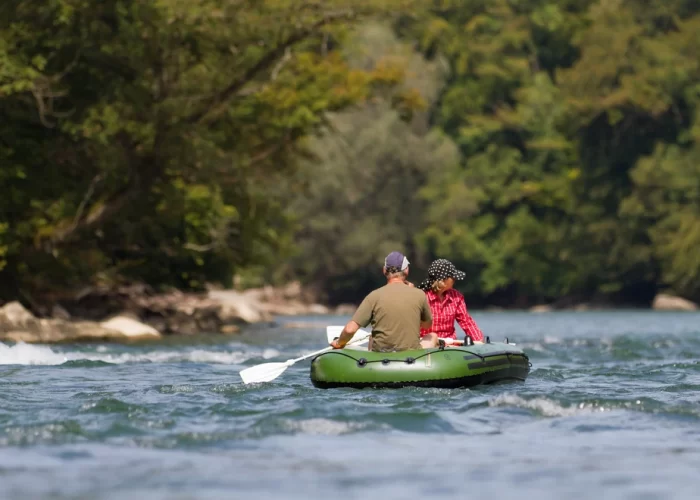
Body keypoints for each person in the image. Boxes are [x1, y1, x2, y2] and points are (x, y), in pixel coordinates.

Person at [330, 251, 439, 351]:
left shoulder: (373, 296)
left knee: (373, 336)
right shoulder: (419, 294)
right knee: (432, 336)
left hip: (381, 356)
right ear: (406, 270)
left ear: (384, 270)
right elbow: (427, 325)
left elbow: (350, 330)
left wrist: (339, 343)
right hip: (412, 356)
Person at [417, 259, 485, 344]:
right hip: (426, 344)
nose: (455, 279)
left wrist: (479, 339)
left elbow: (466, 321)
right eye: (452, 277)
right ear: (442, 280)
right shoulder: (420, 297)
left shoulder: (457, 297)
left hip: (450, 344)